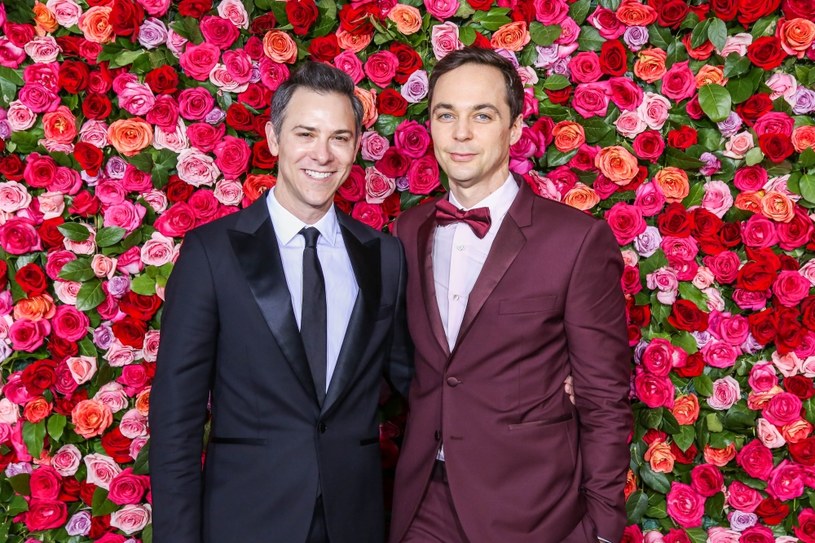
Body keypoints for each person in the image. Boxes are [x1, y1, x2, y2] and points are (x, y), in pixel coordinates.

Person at [149, 61, 412, 543]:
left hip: (353, 521)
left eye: (339, 137)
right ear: (274, 139)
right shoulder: (212, 252)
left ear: (355, 147)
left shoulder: (385, 255)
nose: (322, 153)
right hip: (245, 520)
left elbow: (417, 379)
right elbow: (176, 419)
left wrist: (542, 383)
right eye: (306, 133)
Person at [389, 47, 632, 543]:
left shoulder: (576, 240)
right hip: (424, 503)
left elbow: (605, 397)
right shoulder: (406, 231)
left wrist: (603, 528)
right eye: (445, 114)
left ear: (515, 129)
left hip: (532, 509)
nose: (460, 133)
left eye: (482, 115)